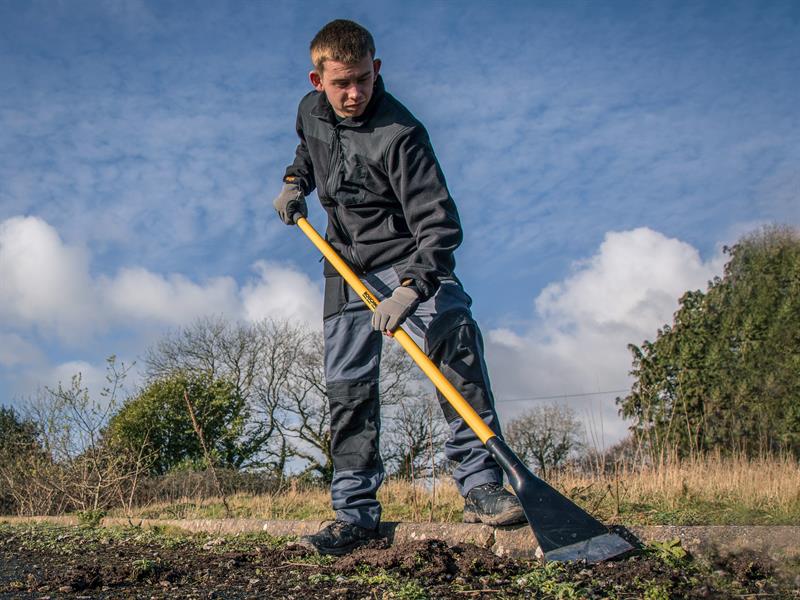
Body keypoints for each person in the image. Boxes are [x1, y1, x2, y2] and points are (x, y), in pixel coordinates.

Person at [273, 19, 525, 555]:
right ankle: (355, 514)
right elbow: (307, 152)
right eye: (341, 83)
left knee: (454, 344)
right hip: (343, 266)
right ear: (317, 80)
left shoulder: (401, 134)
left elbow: (439, 225)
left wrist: (411, 290)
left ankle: (482, 486)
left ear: (376, 69)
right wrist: (295, 183)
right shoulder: (308, 111)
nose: (354, 92)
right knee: (348, 389)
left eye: (363, 79)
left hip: (409, 260)